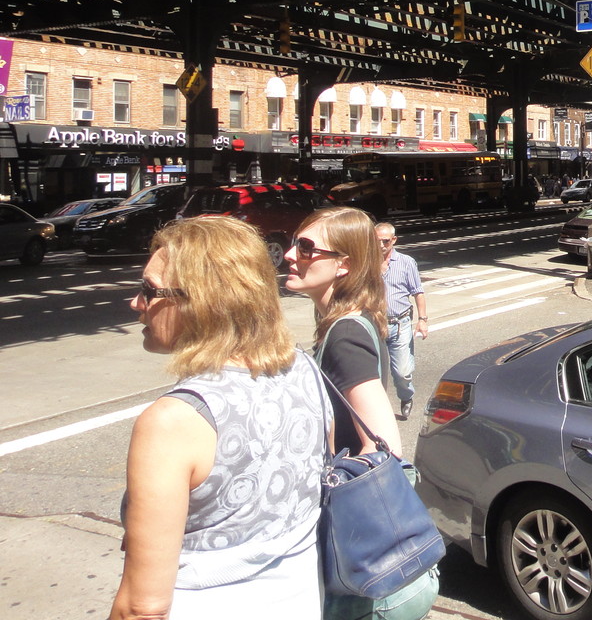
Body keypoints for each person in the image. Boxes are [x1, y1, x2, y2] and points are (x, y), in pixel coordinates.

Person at [111, 216, 329, 620]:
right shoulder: (303, 368)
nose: (136, 303)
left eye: (148, 291)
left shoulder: (173, 421)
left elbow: (143, 607)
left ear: (202, 301)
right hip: (302, 601)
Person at [286, 207, 401, 460]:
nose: (289, 255)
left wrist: (338, 485)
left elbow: (385, 446)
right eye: (294, 243)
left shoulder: (346, 335)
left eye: (305, 248)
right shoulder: (350, 320)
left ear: (343, 265)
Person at [375, 222, 428, 420]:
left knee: (402, 372)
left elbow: (418, 293)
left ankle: (406, 397)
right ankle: (377, 410)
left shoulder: (406, 262)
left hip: (400, 324)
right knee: (374, 372)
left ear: (394, 240)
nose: (380, 245)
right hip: (375, 324)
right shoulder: (366, 263)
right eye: (376, 241)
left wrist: (422, 320)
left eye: (385, 241)